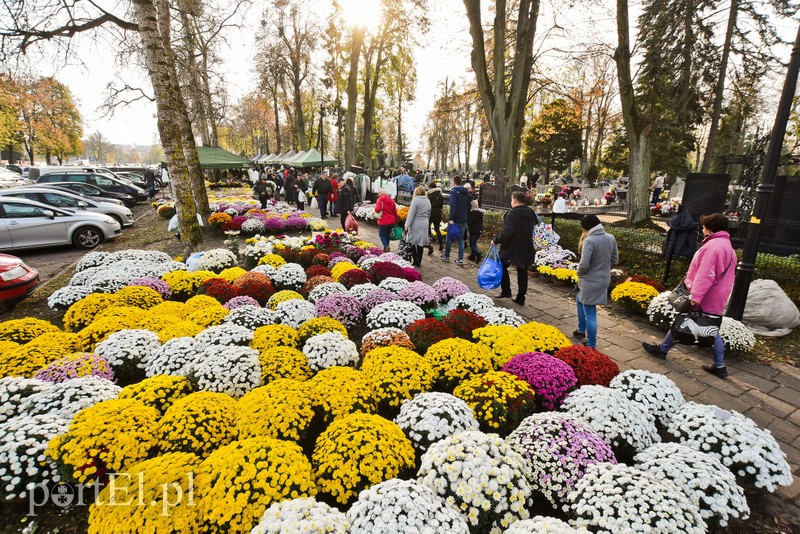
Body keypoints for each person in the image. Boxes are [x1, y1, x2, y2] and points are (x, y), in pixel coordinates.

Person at [642, 213, 737, 378]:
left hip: (706, 294)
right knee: (710, 327)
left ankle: (663, 350)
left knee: (693, 322)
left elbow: (705, 274)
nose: (702, 229)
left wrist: (696, 296)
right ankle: (719, 366)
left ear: (710, 228)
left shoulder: (712, 247)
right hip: (718, 294)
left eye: (704, 226)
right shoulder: (727, 246)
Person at [573, 214, 619, 349]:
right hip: (603, 279)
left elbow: (584, 264)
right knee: (579, 300)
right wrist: (603, 269)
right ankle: (581, 330)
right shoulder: (611, 238)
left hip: (589, 280)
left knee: (590, 311)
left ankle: (591, 344)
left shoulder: (590, 240)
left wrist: (579, 272)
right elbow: (615, 258)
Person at [492, 191, 537, 305]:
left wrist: (496, 240)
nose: (511, 202)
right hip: (526, 245)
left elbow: (508, 232)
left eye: (511, 199)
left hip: (511, 246)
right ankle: (521, 297)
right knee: (522, 271)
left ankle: (506, 291)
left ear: (515, 200)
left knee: (502, 265)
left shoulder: (511, 214)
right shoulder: (530, 213)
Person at [441, 175, 471, 266]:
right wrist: (465, 215)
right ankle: (460, 259)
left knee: (449, 238)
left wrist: (451, 218)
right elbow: (469, 207)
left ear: (454, 182)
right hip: (463, 219)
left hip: (455, 219)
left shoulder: (454, 192)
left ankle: (446, 256)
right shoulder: (467, 193)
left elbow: (453, 206)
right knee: (461, 240)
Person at [404, 186, 432, 267]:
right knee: (421, 242)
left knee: (411, 241)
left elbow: (411, 214)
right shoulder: (427, 201)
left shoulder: (415, 200)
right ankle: (419, 260)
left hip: (416, 223)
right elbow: (429, 213)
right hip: (424, 223)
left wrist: (407, 225)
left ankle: (415, 260)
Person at [427, 184, 444, 255]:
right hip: (438, 213)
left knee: (428, 227)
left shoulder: (429, 195)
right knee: (437, 229)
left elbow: (428, 205)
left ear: (430, 187)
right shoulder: (440, 195)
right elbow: (441, 205)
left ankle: (429, 240)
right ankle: (441, 243)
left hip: (431, 213)